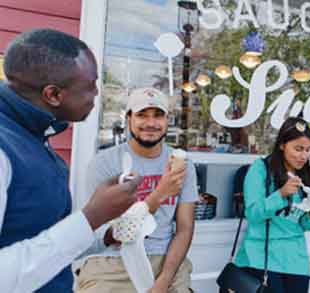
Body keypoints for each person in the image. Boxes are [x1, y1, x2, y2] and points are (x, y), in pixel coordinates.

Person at [0, 29, 142, 292]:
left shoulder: (33, 133)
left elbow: (39, 237)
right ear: (53, 95)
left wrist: (103, 232)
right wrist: (90, 216)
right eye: (90, 85)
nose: (97, 93)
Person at [75, 87, 199, 293]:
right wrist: (159, 194)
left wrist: (164, 280)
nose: (151, 123)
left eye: (158, 115)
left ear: (168, 120)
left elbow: (185, 228)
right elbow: (111, 234)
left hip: (165, 259)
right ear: (129, 118)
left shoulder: (183, 166)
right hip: (112, 259)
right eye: (142, 115)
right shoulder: (105, 164)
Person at [234, 117, 310, 293]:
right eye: (298, 149)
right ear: (282, 145)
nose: (304, 156)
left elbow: (302, 224)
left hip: (296, 261)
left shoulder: (305, 175)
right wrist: (280, 194)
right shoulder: (260, 169)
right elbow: (252, 213)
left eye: (308, 150)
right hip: (262, 258)